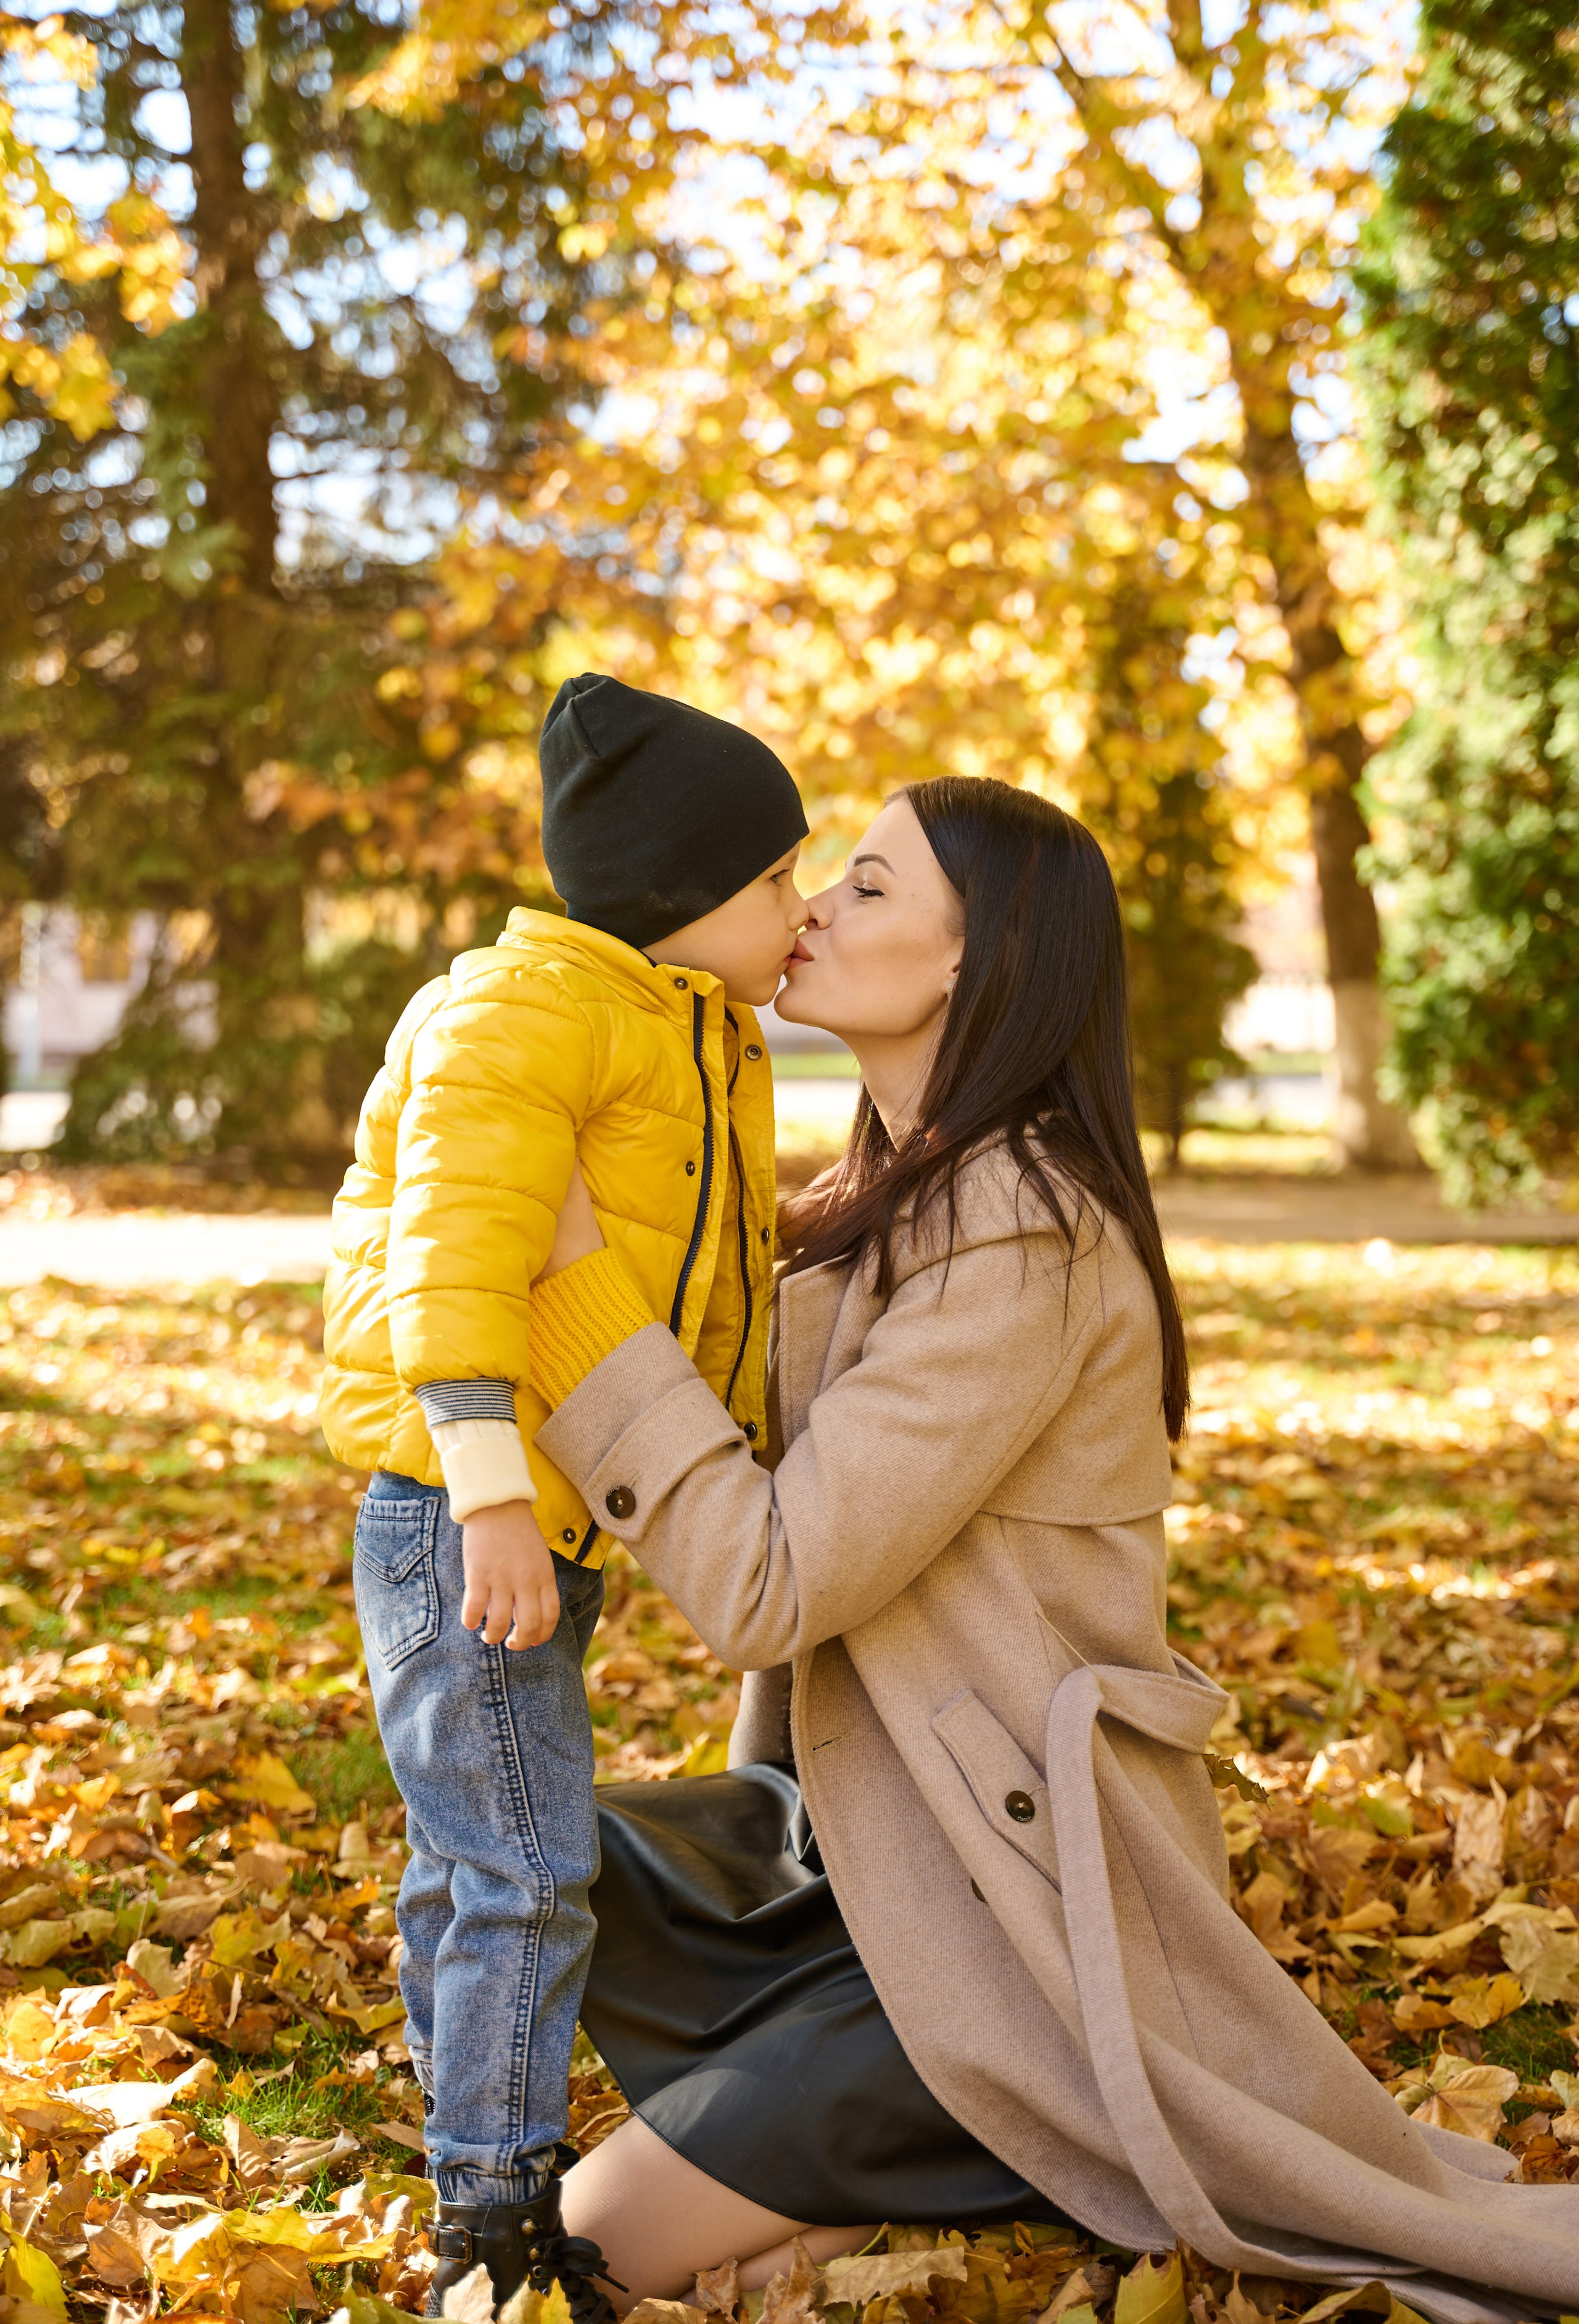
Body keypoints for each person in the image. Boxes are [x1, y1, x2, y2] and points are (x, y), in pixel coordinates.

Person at [521, 776, 1579, 2324]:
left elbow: (767, 1582)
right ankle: (942, 2146)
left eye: (866, 886)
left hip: (1004, 1924)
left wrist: (568, 1282)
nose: (809, 906)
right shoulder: (874, 1201)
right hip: (848, 1872)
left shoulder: (1020, 1232)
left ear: (974, 955)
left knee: (568, 2248)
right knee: (525, 1848)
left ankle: (1016, 2114)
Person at [318, 674, 809, 2318]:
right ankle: (497, 2227)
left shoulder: (692, 1031)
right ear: (682, 899)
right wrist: (487, 1497)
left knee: (476, 1857)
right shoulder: (526, 1016)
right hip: (465, 1510)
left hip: (538, 1510)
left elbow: (714, 1274)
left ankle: (473, 2161)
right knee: (524, 1865)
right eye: (776, 884)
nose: (798, 913)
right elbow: (452, 1259)